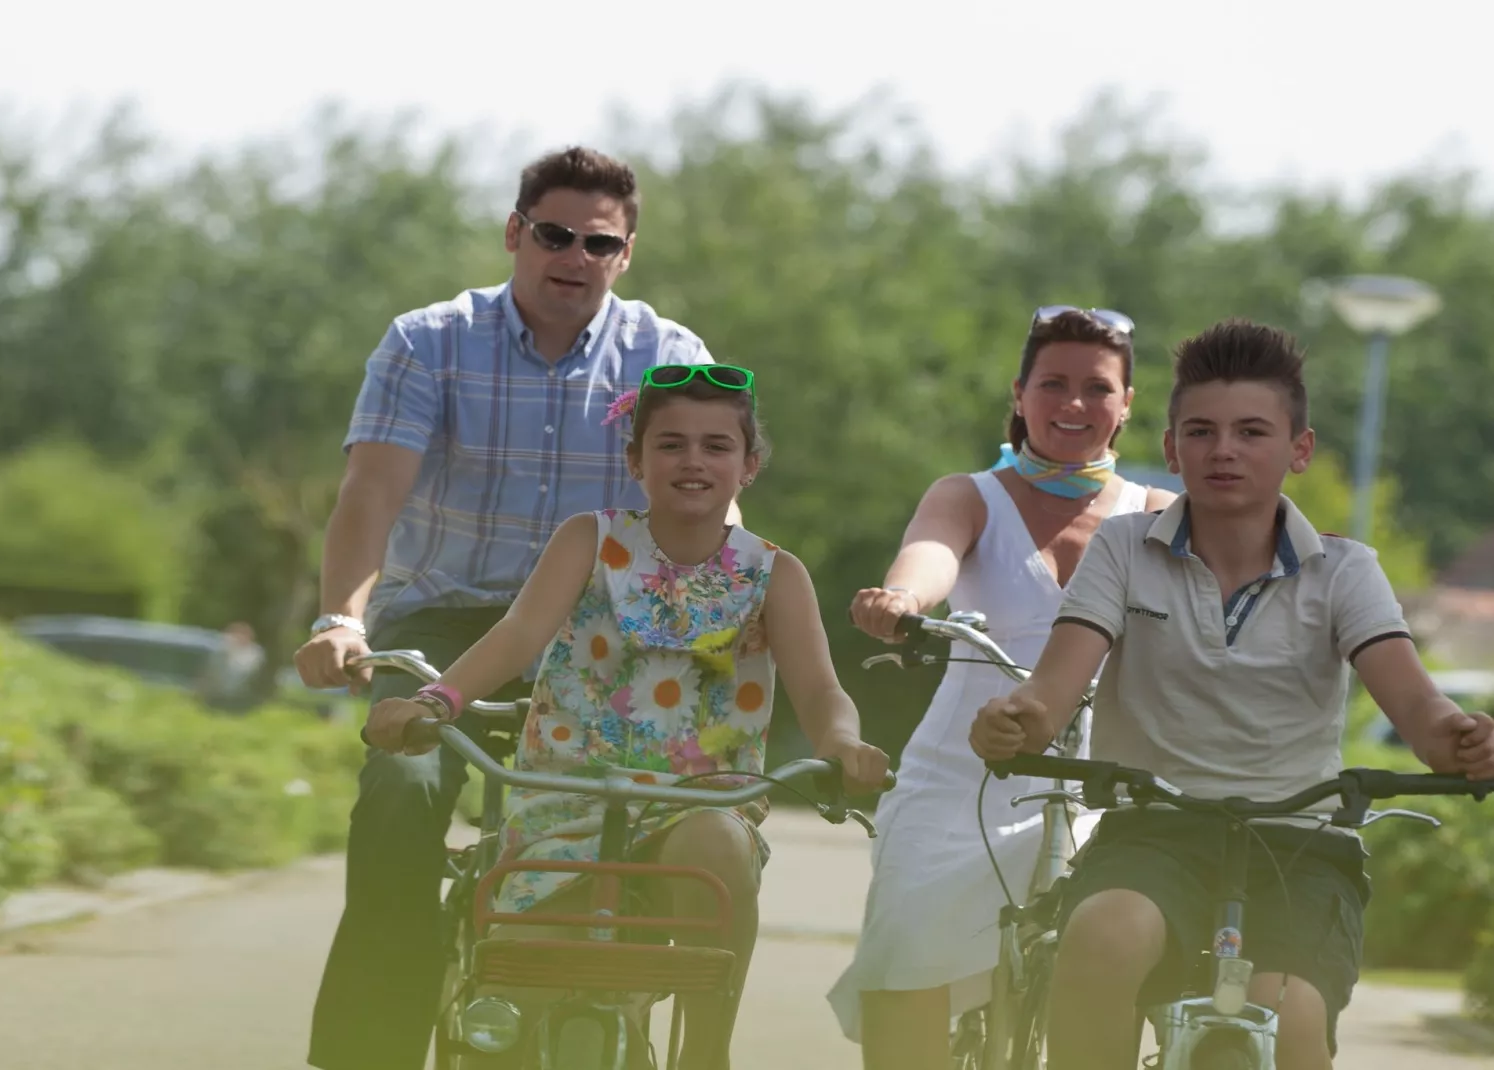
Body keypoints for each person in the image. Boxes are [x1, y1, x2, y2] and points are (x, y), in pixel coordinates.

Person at [293, 146, 734, 1070]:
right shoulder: (428, 340)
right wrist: (342, 617)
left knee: (659, 822)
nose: (573, 256)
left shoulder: (669, 356)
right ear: (514, 233)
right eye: (554, 234)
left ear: (626, 253)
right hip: (444, 623)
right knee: (402, 795)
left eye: (598, 241)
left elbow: (709, 509)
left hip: (605, 636)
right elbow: (371, 495)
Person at [970, 319, 1494, 1070]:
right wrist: (1016, 721)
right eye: (1201, 432)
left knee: (1294, 1020)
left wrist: (1458, 739)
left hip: (1303, 847)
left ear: (1299, 450)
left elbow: (1417, 708)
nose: (1224, 451)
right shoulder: (1124, 548)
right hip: (1152, 832)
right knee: (1100, 938)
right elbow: (1052, 691)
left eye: (1252, 431)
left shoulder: (1345, 572)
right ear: (1174, 447)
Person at [366, 364, 891, 1070]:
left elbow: (821, 689)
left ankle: (705, 1050)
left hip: (698, 803)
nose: (694, 461)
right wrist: (435, 701)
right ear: (635, 461)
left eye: (716, 445)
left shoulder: (774, 573)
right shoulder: (591, 540)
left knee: (718, 846)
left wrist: (844, 745)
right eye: (670, 444)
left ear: (750, 466)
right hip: (567, 800)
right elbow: (519, 634)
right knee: (516, 985)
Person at [828, 306, 1175, 1069]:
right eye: (1054, 383)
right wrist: (903, 602)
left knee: (1115, 957)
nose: (1074, 404)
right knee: (905, 946)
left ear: (1128, 405)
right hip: (964, 773)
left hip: (1100, 781)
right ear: (1019, 394)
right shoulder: (971, 494)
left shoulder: (1157, 515)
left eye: (1097, 387)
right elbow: (928, 555)